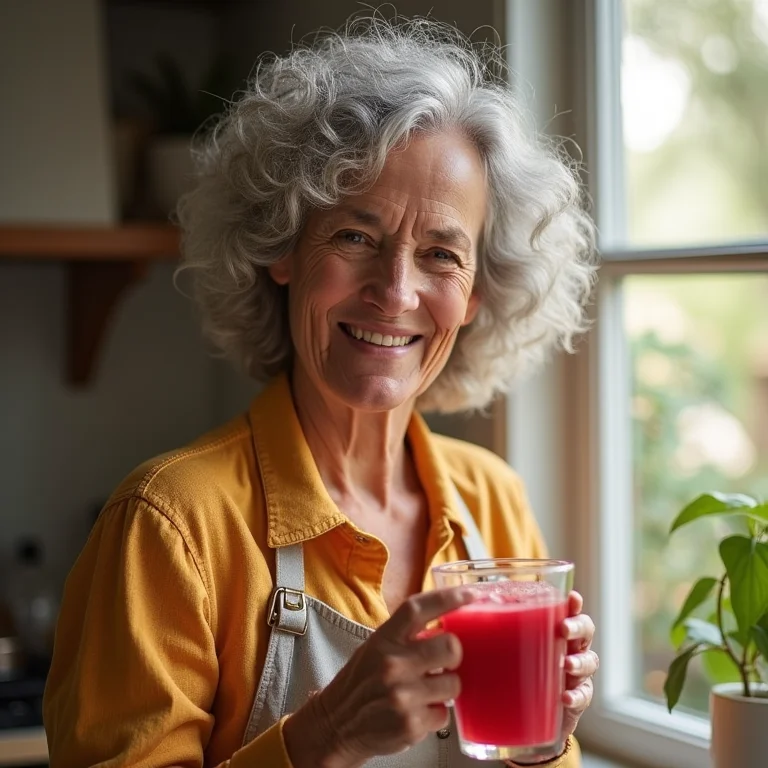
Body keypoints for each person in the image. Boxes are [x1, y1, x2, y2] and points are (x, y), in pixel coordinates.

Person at [44, 15, 599, 768]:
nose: (395, 292)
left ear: (475, 295)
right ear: (281, 248)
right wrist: (328, 733)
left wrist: (544, 741)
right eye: (355, 237)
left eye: (441, 254)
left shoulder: (492, 500)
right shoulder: (169, 525)